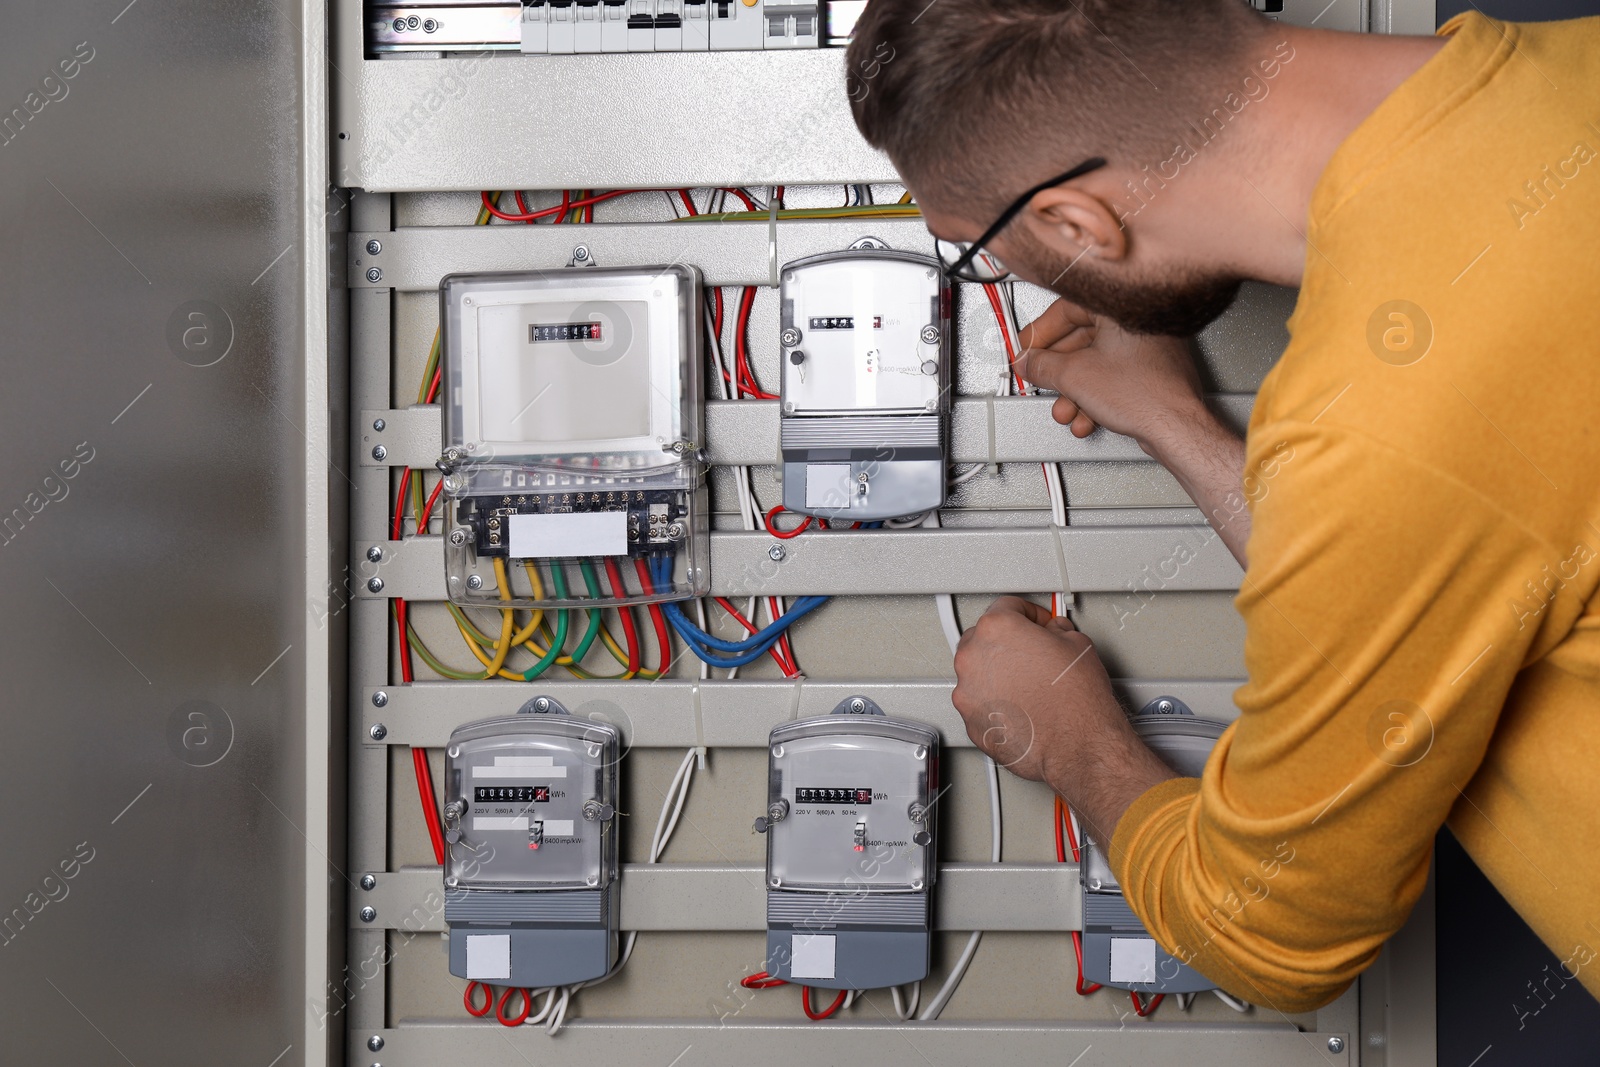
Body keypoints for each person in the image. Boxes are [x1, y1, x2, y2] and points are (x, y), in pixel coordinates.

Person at [845, 0, 1600, 1012]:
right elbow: (1447, 561)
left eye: (974, 244)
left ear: (1075, 223)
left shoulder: (1380, 427)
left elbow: (1271, 934)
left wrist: (1073, 739)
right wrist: (1177, 424)